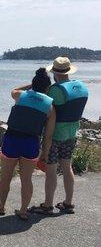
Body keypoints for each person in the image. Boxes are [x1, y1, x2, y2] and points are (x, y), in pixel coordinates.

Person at [30, 57, 89, 216]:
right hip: (71, 134)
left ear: (54, 72)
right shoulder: (82, 87)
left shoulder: (55, 90)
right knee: (67, 167)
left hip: (55, 135)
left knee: (51, 170)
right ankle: (68, 202)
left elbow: (44, 107)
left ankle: (48, 205)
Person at [0, 68, 55, 220]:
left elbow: (13, 90)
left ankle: (1, 207)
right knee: (26, 179)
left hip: (12, 139)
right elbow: (48, 135)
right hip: (31, 142)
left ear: (33, 84)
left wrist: (31, 86)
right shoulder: (50, 105)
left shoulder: (21, 95)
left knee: (6, 177)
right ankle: (23, 211)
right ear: (47, 88)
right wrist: (45, 153)